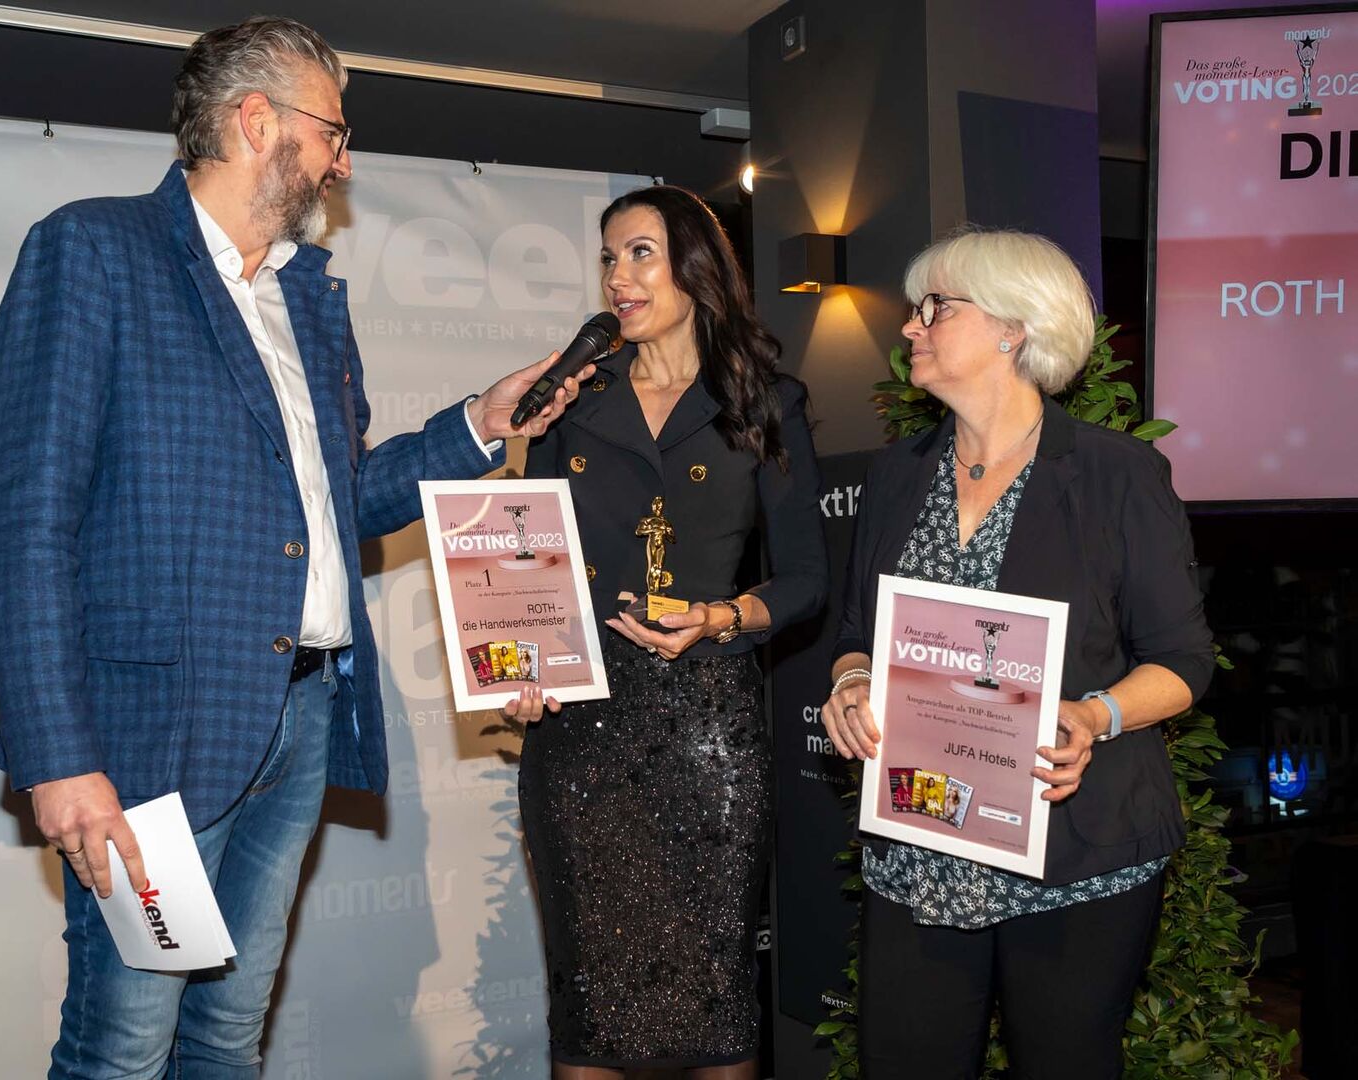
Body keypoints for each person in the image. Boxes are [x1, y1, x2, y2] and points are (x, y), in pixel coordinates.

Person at [0, 17, 590, 1078]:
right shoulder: (95, 251)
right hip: (150, 738)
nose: (344, 162)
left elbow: (339, 504)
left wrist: (478, 424)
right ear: (257, 121)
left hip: (300, 719)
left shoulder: (305, 295)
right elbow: (26, 526)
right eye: (333, 131)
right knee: (123, 1049)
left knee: (227, 1038)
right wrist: (60, 759)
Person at [818, 227, 1214, 1078]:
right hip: (919, 843)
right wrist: (851, 682)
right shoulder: (896, 476)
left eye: (936, 308)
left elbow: (1183, 661)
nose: (911, 327)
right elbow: (856, 633)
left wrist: (1094, 716)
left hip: (1075, 852)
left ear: (1012, 328)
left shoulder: (1116, 474)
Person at [512, 185, 827, 1077]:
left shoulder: (764, 399)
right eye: (609, 258)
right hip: (580, 727)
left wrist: (724, 617)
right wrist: (522, 668)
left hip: (710, 730)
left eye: (640, 253)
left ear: (697, 267)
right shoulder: (573, 399)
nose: (618, 276)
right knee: (590, 1002)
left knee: (717, 1003)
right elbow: (526, 564)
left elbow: (806, 579)